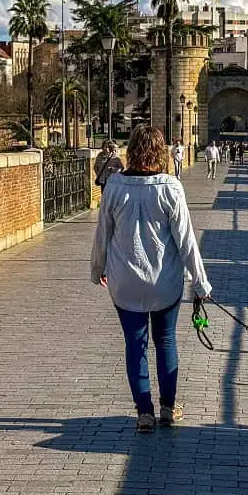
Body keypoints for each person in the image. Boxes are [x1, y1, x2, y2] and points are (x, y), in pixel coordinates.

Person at [91, 125, 213, 433]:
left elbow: (102, 234)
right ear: (161, 153)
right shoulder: (170, 188)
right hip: (165, 281)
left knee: (135, 345)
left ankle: (144, 413)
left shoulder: (115, 187)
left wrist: (98, 269)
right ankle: (169, 408)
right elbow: (186, 241)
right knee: (165, 341)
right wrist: (201, 283)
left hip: (126, 281)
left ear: (131, 150)